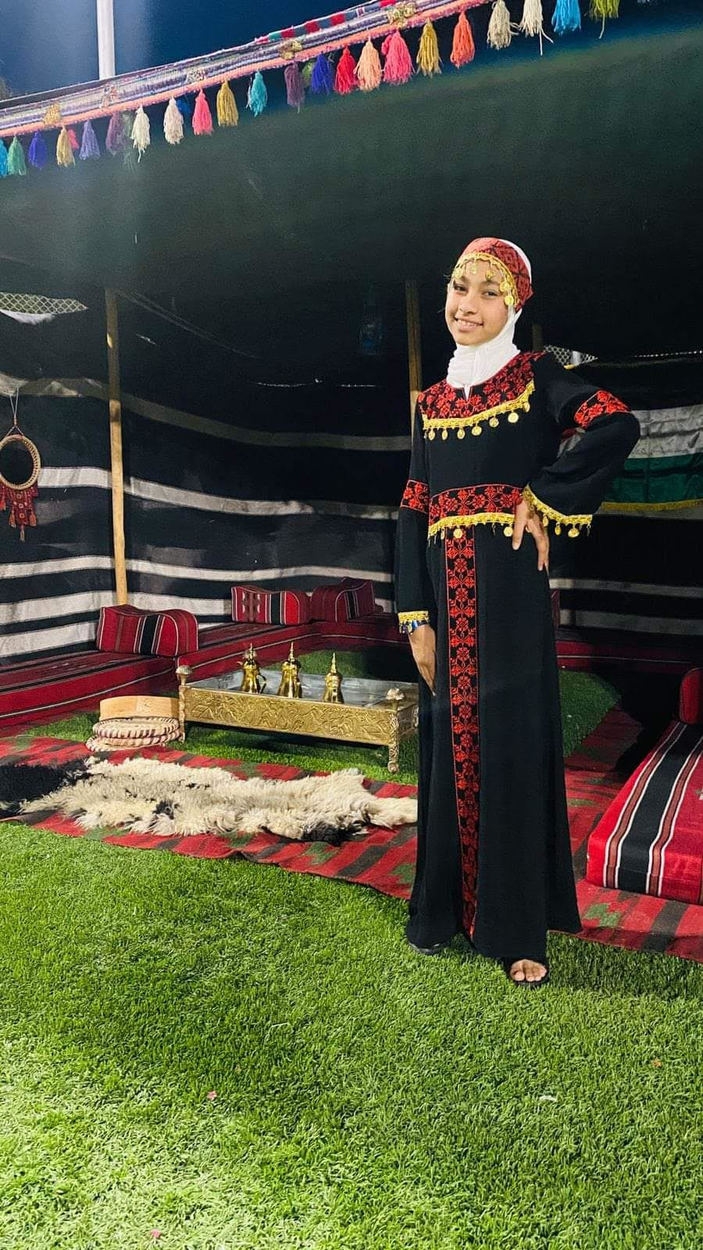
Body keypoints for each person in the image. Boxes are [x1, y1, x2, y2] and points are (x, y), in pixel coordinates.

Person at [394, 237, 640, 987]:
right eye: (457, 286)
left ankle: (514, 927)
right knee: (447, 745)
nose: (465, 304)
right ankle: (441, 910)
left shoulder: (536, 376)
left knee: (508, 746)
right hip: (442, 602)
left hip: (507, 599)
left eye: (486, 292)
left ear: (514, 305)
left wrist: (543, 497)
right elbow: (412, 509)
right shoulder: (432, 402)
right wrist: (414, 616)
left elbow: (616, 424)